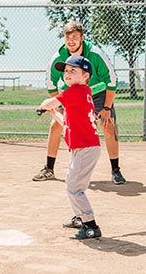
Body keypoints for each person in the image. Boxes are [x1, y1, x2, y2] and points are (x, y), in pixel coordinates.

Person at [33, 21, 126, 184]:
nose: (71, 41)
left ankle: (115, 170)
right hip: (71, 93)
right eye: (68, 37)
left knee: (108, 124)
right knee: (56, 125)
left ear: (82, 38)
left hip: (97, 93)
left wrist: (106, 107)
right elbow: (51, 85)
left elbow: (112, 82)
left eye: (75, 37)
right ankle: (49, 168)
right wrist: (58, 109)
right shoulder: (58, 58)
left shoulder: (96, 54)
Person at [39, 55, 102, 239]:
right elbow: (66, 123)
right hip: (84, 147)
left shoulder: (74, 92)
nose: (67, 74)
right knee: (73, 183)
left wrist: (45, 106)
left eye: (73, 70)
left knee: (74, 187)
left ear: (86, 76)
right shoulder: (83, 93)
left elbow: (48, 102)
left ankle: (91, 226)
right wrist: (53, 112)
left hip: (85, 148)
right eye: (66, 71)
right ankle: (80, 217)